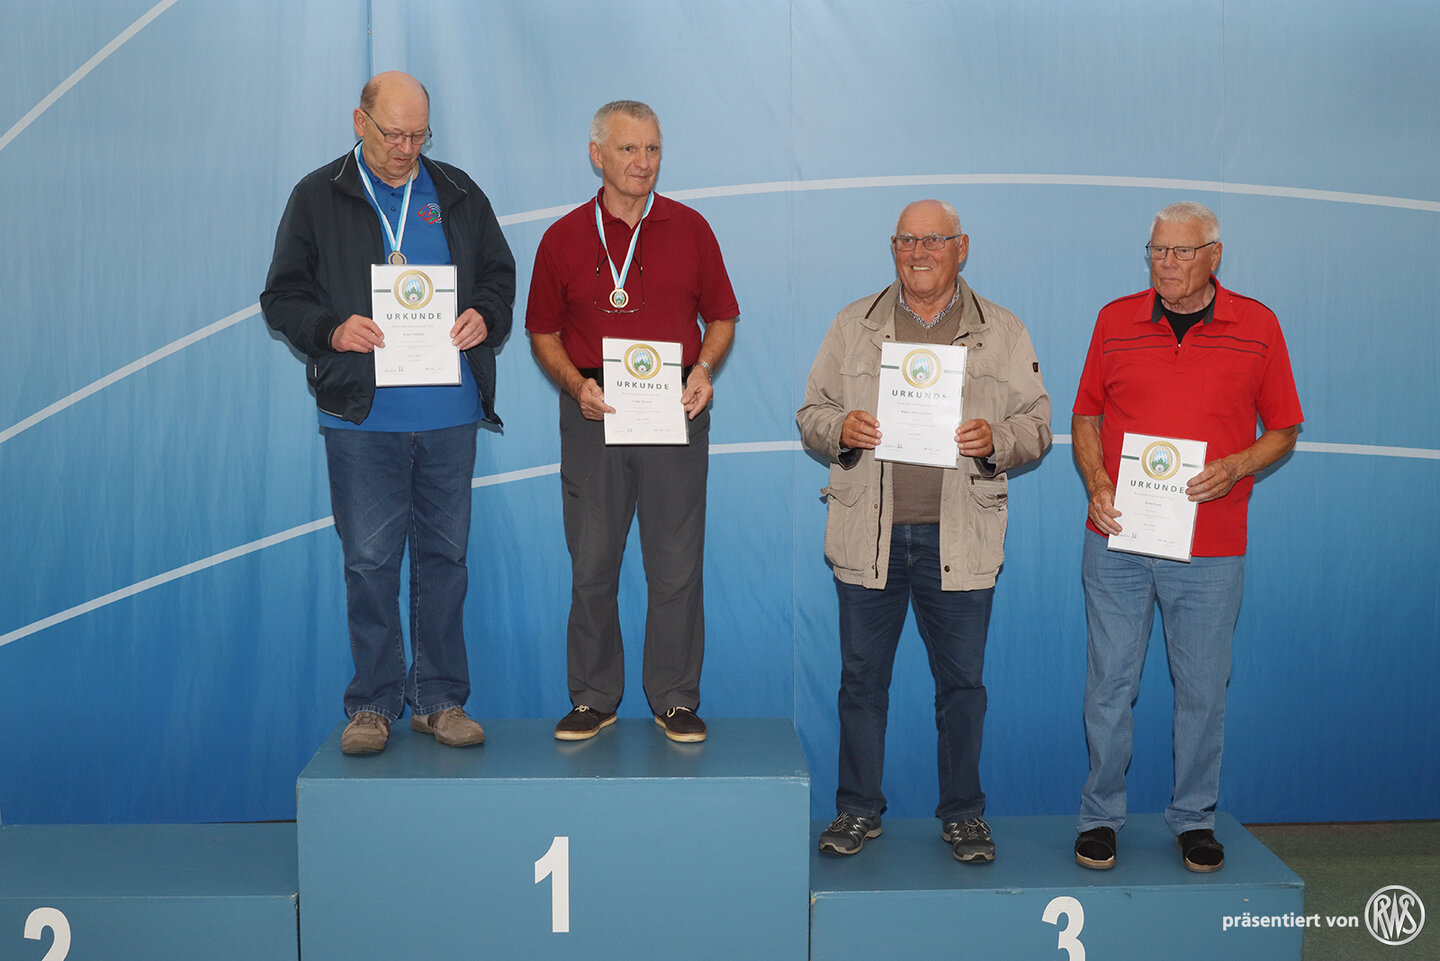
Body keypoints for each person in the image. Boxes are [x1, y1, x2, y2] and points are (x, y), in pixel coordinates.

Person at [261, 71, 516, 755]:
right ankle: (373, 703)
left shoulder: (458, 192)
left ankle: (439, 700)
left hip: (449, 413)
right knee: (370, 562)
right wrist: (331, 328)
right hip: (361, 417)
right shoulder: (318, 195)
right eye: (393, 134)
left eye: (418, 136)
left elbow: (499, 275)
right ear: (360, 121)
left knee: (446, 559)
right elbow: (281, 296)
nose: (406, 148)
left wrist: (485, 315)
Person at [797, 200, 1051, 860]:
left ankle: (963, 814)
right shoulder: (854, 324)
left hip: (959, 538)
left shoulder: (1003, 331)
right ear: (893, 247)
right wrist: (840, 429)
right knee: (861, 684)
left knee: (962, 688)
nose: (919, 252)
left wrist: (997, 440)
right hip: (870, 536)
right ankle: (857, 808)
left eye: (933, 240)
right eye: (907, 240)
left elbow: (1038, 424)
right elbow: (811, 412)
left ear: (961, 247)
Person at [1072, 201, 1302, 872]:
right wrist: (1096, 481)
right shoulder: (1114, 320)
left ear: (1214, 255)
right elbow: (1086, 416)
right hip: (1117, 538)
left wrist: (1237, 465)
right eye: (1156, 251)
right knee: (1109, 685)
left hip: (1211, 547)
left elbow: (1283, 430)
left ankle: (1195, 818)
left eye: (1179, 251)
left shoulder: (1258, 326)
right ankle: (1099, 816)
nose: (1165, 264)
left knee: (1203, 691)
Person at [526, 100, 739, 743]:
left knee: (676, 565)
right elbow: (542, 332)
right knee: (592, 564)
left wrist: (704, 369)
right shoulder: (562, 237)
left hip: (675, 406)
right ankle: (593, 697)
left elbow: (722, 317)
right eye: (628, 149)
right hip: (594, 410)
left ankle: (674, 698)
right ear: (597, 154)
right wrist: (576, 386)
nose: (642, 162)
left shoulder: (691, 228)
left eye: (652, 149)